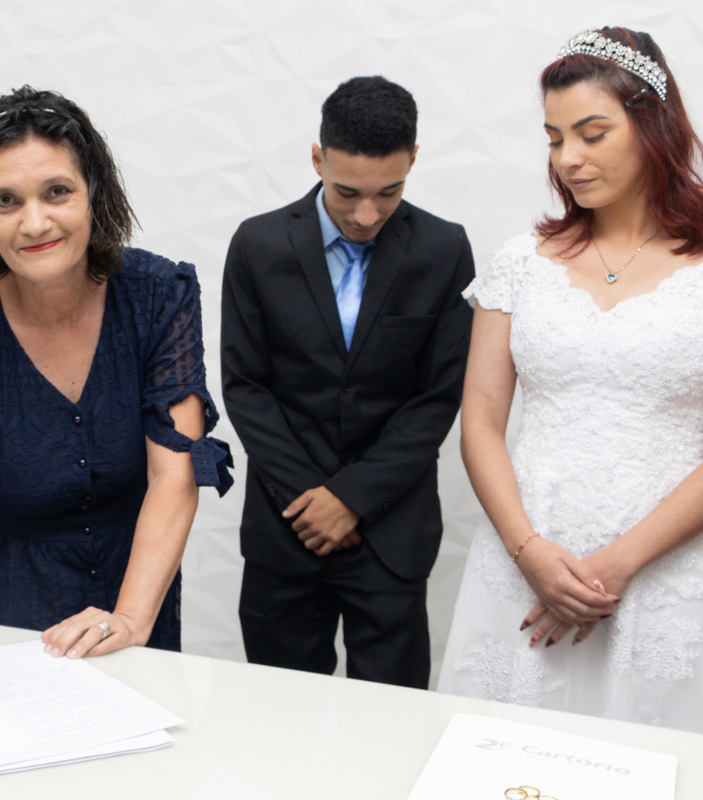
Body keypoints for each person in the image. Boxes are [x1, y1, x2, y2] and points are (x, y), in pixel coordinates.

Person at [437, 28, 703, 739]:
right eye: (553, 138)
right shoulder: (520, 262)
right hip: (524, 563)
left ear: (653, 126)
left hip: (666, 573)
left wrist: (613, 567)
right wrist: (530, 552)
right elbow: (479, 425)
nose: (567, 158)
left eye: (591, 133)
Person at [0, 86, 232, 678]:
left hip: (135, 596)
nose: (35, 223)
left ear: (94, 192)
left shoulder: (160, 298)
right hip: (6, 611)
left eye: (57, 191)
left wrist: (131, 619)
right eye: (6, 201)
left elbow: (174, 472)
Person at [222, 76, 475, 689]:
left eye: (389, 192)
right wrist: (312, 501)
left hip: (391, 534)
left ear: (413, 160)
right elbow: (245, 385)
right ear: (318, 159)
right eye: (347, 192)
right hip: (286, 529)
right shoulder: (258, 244)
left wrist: (353, 499)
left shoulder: (444, 249)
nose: (367, 215)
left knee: (394, 722)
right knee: (282, 714)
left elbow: (438, 396)